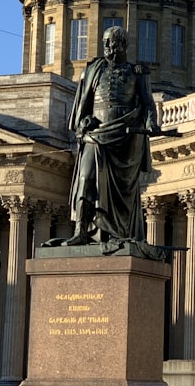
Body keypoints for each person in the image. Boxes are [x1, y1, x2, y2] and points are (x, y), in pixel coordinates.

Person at [65, 25, 158, 245]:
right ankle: (81, 230)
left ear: (124, 44)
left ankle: (118, 232)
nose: (107, 47)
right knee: (85, 178)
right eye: (105, 42)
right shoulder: (92, 71)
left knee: (122, 192)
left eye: (112, 42)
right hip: (95, 135)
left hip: (125, 138)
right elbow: (81, 110)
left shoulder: (137, 72)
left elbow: (148, 104)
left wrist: (150, 123)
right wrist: (83, 121)